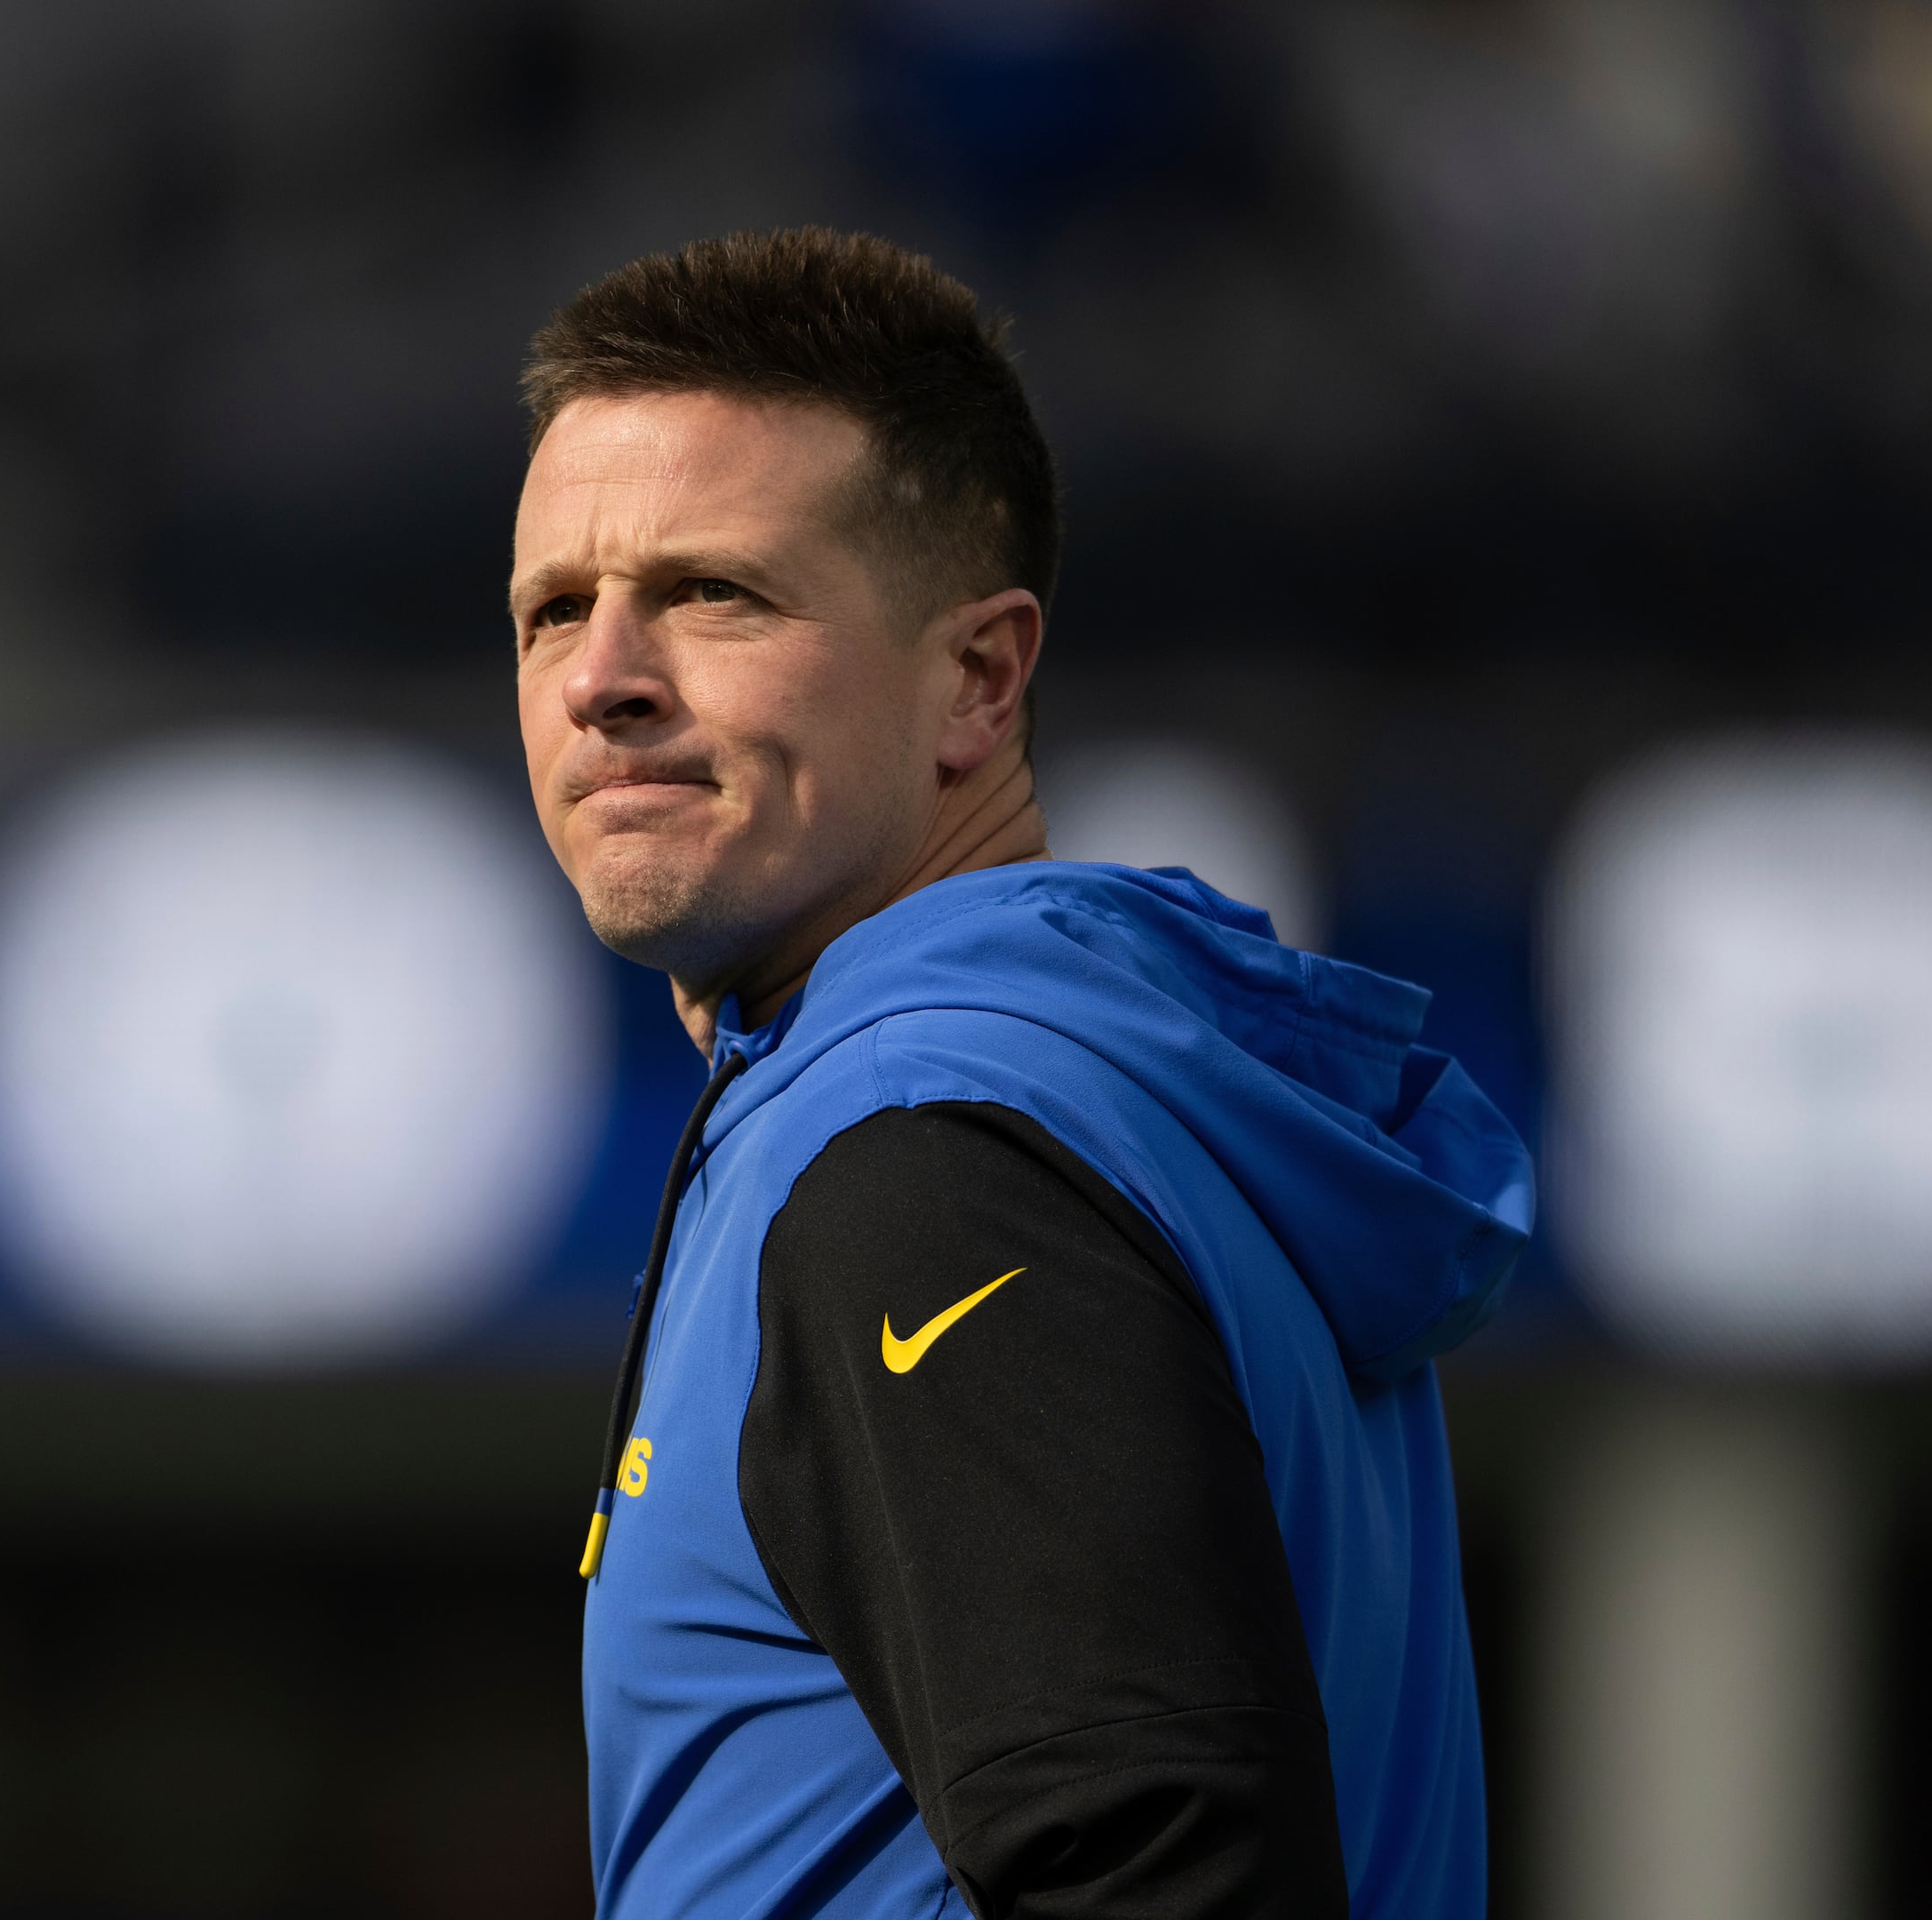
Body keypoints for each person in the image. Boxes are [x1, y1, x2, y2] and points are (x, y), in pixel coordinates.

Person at [511, 228, 1531, 1918]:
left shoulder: (925, 1151)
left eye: (713, 593)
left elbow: (1159, 1869)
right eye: (555, 611)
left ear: (977, 679)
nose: (603, 679)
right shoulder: (1081, 1096)